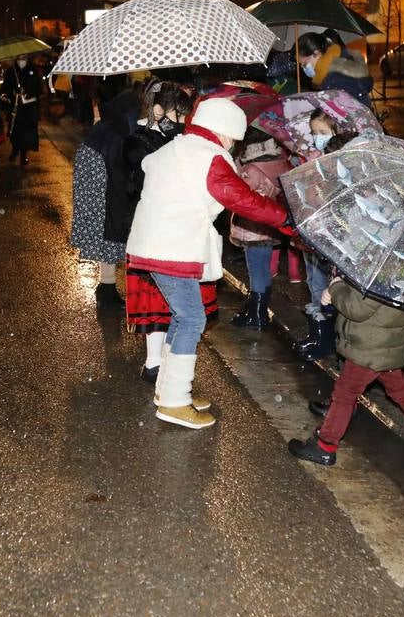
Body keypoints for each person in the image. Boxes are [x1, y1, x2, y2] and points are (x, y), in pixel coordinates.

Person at [126, 98, 292, 430]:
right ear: (223, 129)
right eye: (234, 136)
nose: (234, 143)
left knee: (181, 316)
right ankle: (175, 402)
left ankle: (168, 390)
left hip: (156, 244)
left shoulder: (181, 148)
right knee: (192, 318)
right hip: (172, 248)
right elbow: (243, 200)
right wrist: (287, 220)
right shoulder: (209, 157)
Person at [288, 270, 404, 466]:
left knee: (345, 394)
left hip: (368, 349)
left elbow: (356, 308)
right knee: (397, 386)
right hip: (387, 346)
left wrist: (336, 287)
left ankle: (324, 445)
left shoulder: (382, 275)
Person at [120, 81, 195, 381]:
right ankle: (154, 363)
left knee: (172, 301)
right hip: (150, 230)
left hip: (175, 227)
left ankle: (167, 359)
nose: (181, 123)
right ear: (159, 111)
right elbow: (145, 173)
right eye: (178, 115)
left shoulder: (177, 139)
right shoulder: (138, 142)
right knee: (154, 298)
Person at [70, 80, 142, 302]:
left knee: (103, 224)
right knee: (109, 222)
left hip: (95, 160)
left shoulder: (120, 110)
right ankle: (107, 288)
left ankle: (107, 284)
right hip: (104, 166)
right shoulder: (127, 119)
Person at [291, 109, 352, 362]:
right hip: (312, 230)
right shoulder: (311, 157)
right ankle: (319, 334)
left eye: (323, 133)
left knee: (329, 286)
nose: (318, 138)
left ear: (336, 132)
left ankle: (330, 338)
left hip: (332, 235)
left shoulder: (344, 162)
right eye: (314, 133)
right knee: (314, 282)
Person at [228, 127, 295, 331]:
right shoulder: (281, 162)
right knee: (264, 269)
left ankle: (257, 315)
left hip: (252, 226)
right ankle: (257, 310)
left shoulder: (251, 169)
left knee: (256, 270)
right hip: (271, 223)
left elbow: (240, 195)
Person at [296, 30, 372, 106]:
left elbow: (344, 110)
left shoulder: (336, 76)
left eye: (305, 64)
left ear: (316, 53)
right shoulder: (328, 70)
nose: (304, 68)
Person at [1, 55, 44, 165]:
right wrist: (8, 94)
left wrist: (28, 93)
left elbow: (39, 88)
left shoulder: (33, 71)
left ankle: (24, 155)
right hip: (15, 107)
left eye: (24, 58)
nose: (21, 61)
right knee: (15, 131)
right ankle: (15, 150)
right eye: (20, 58)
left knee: (26, 132)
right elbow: (5, 87)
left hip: (29, 107)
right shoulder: (11, 71)